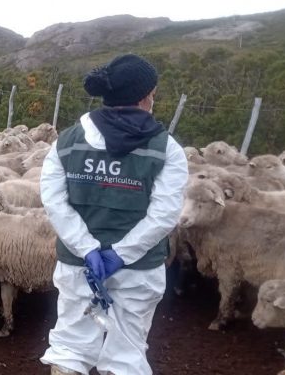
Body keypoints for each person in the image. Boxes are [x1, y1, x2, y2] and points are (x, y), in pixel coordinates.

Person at [39, 53, 189, 375]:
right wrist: (120, 255)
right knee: (126, 354)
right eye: (153, 91)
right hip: (138, 269)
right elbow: (164, 215)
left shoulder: (65, 143)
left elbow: (54, 202)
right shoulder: (167, 149)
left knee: (69, 346)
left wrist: (88, 249)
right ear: (146, 96)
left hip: (80, 266)